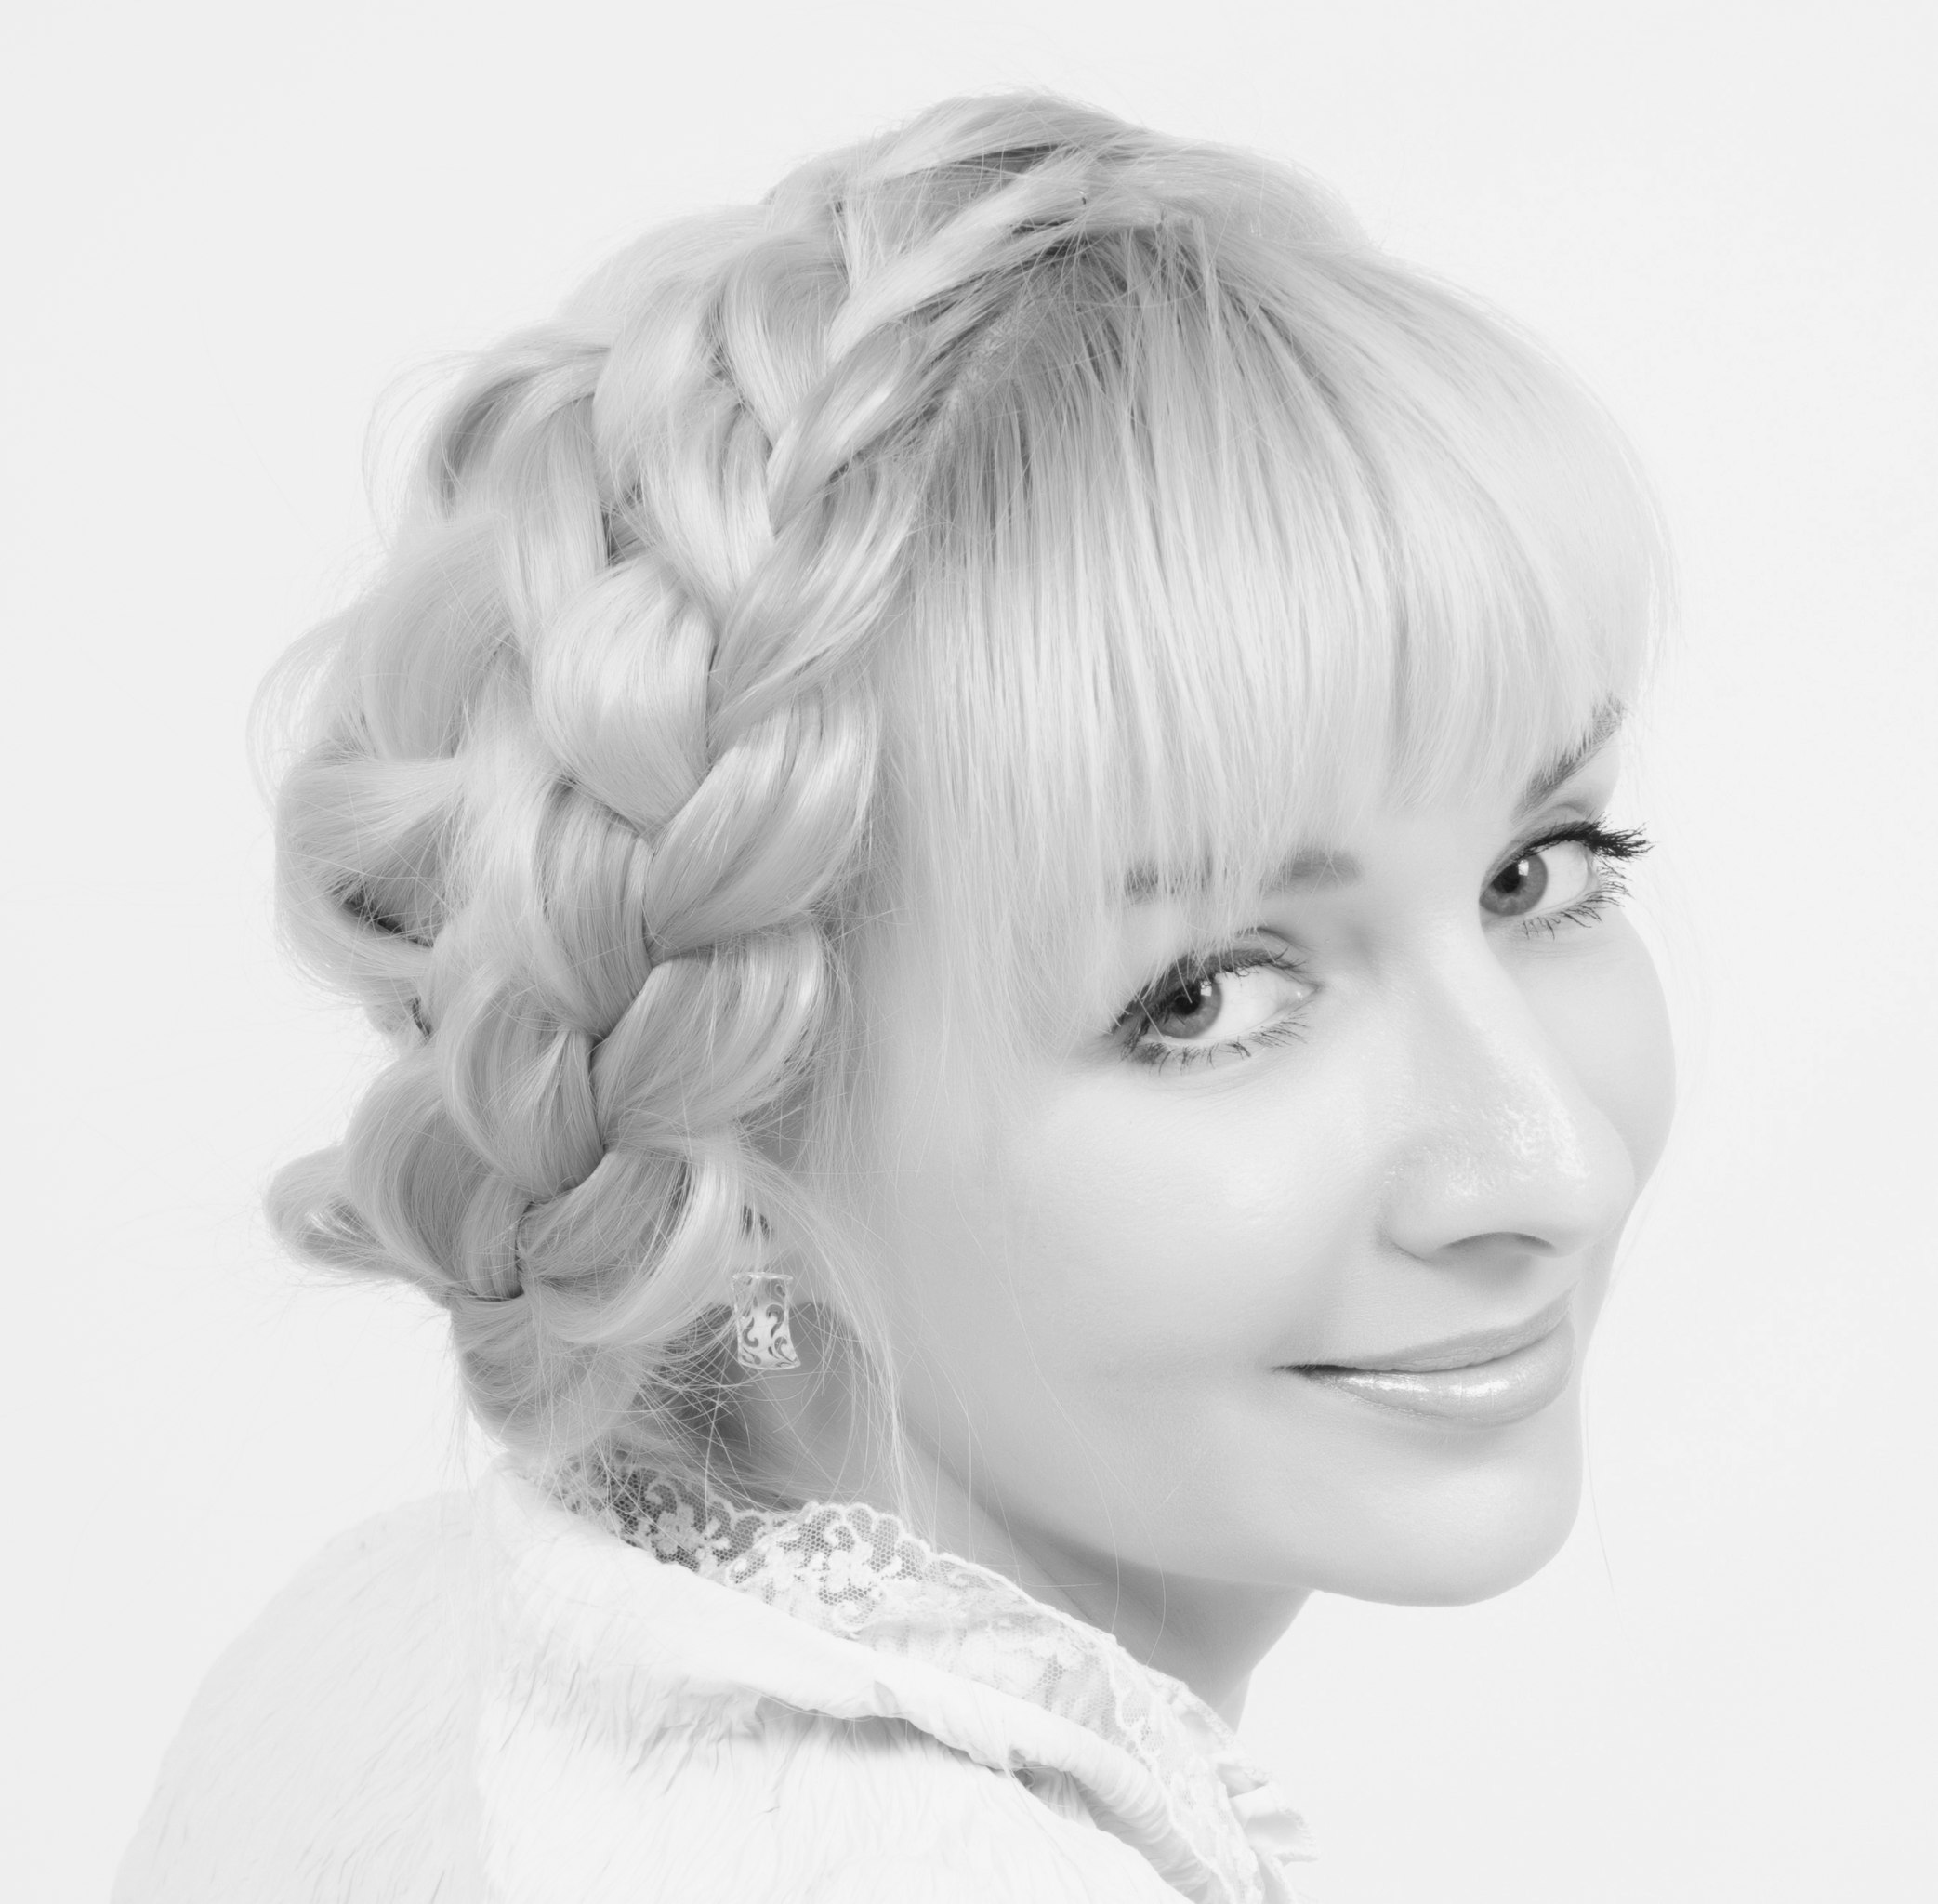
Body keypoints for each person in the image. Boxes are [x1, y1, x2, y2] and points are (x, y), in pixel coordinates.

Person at [115, 90, 1675, 1903]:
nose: (1550, 1165)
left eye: (1539, 872)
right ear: (732, 1123)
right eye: (1204, 996)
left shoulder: (384, 1641)